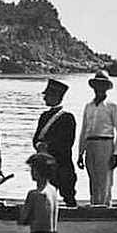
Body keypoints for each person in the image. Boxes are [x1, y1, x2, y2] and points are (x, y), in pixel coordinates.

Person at [78, 69, 117, 207]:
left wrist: (116, 153)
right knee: (93, 179)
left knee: (105, 180)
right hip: (90, 144)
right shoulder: (88, 106)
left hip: (105, 143)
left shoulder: (112, 106)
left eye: (102, 85)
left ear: (106, 88)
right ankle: (94, 205)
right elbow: (84, 130)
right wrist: (80, 153)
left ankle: (103, 207)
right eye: (97, 85)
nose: (99, 88)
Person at [33, 78, 79, 207]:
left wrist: (47, 148)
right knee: (45, 196)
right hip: (45, 166)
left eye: (47, 95)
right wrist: (38, 146)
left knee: (68, 194)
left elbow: (66, 142)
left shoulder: (67, 118)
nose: (44, 98)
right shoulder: (44, 116)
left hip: (62, 165)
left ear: (56, 96)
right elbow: (36, 138)